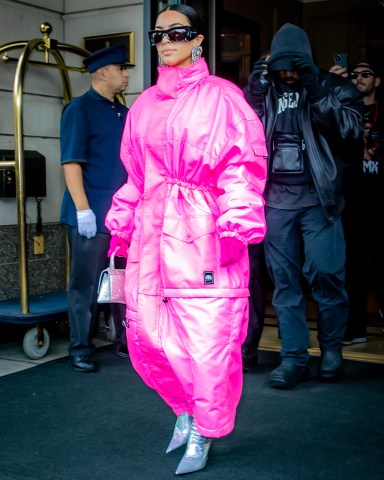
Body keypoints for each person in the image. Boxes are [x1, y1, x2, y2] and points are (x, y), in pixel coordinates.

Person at [105, 3, 267, 474]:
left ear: (198, 39)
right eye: (159, 35)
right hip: (152, 235)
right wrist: (123, 217)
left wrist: (239, 211)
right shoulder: (145, 105)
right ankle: (184, 411)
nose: (167, 41)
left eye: (178, 32)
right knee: (149, 336)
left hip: (204, 234)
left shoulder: (222, 96)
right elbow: (136, 174)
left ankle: (205, 427)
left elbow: (242, 163)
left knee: (206, 339)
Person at [244, 23, 363, 389]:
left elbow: (350, 131)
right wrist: (254, 92)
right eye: (283, 66)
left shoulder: (332, 86)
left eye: (294, 65)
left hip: (319, 200)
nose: (288, 74)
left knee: (327, 276)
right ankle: (294, 357)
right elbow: (240, 133)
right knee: (285, 285)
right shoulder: (266, 89)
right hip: (276, 202)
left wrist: (315, 85)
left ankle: (330, 348)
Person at [60, 44, 135, 372]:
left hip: (120, 214)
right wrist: (82, 210)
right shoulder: (80, 109)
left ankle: (123, 340)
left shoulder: (122, 111)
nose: (126, 75)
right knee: (85, 283)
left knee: (121, 278)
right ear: (102, 72)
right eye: (121, 69)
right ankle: (80, 345)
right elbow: (71, 162)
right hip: (90, 213)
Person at [339, 61, 384, 344]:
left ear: (377, 81)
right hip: (352, 204)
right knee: (352, 269)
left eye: (366, 73)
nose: (358, 78)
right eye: (354, 74)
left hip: (380, 203)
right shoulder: (343, 112)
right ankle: (354, 329)